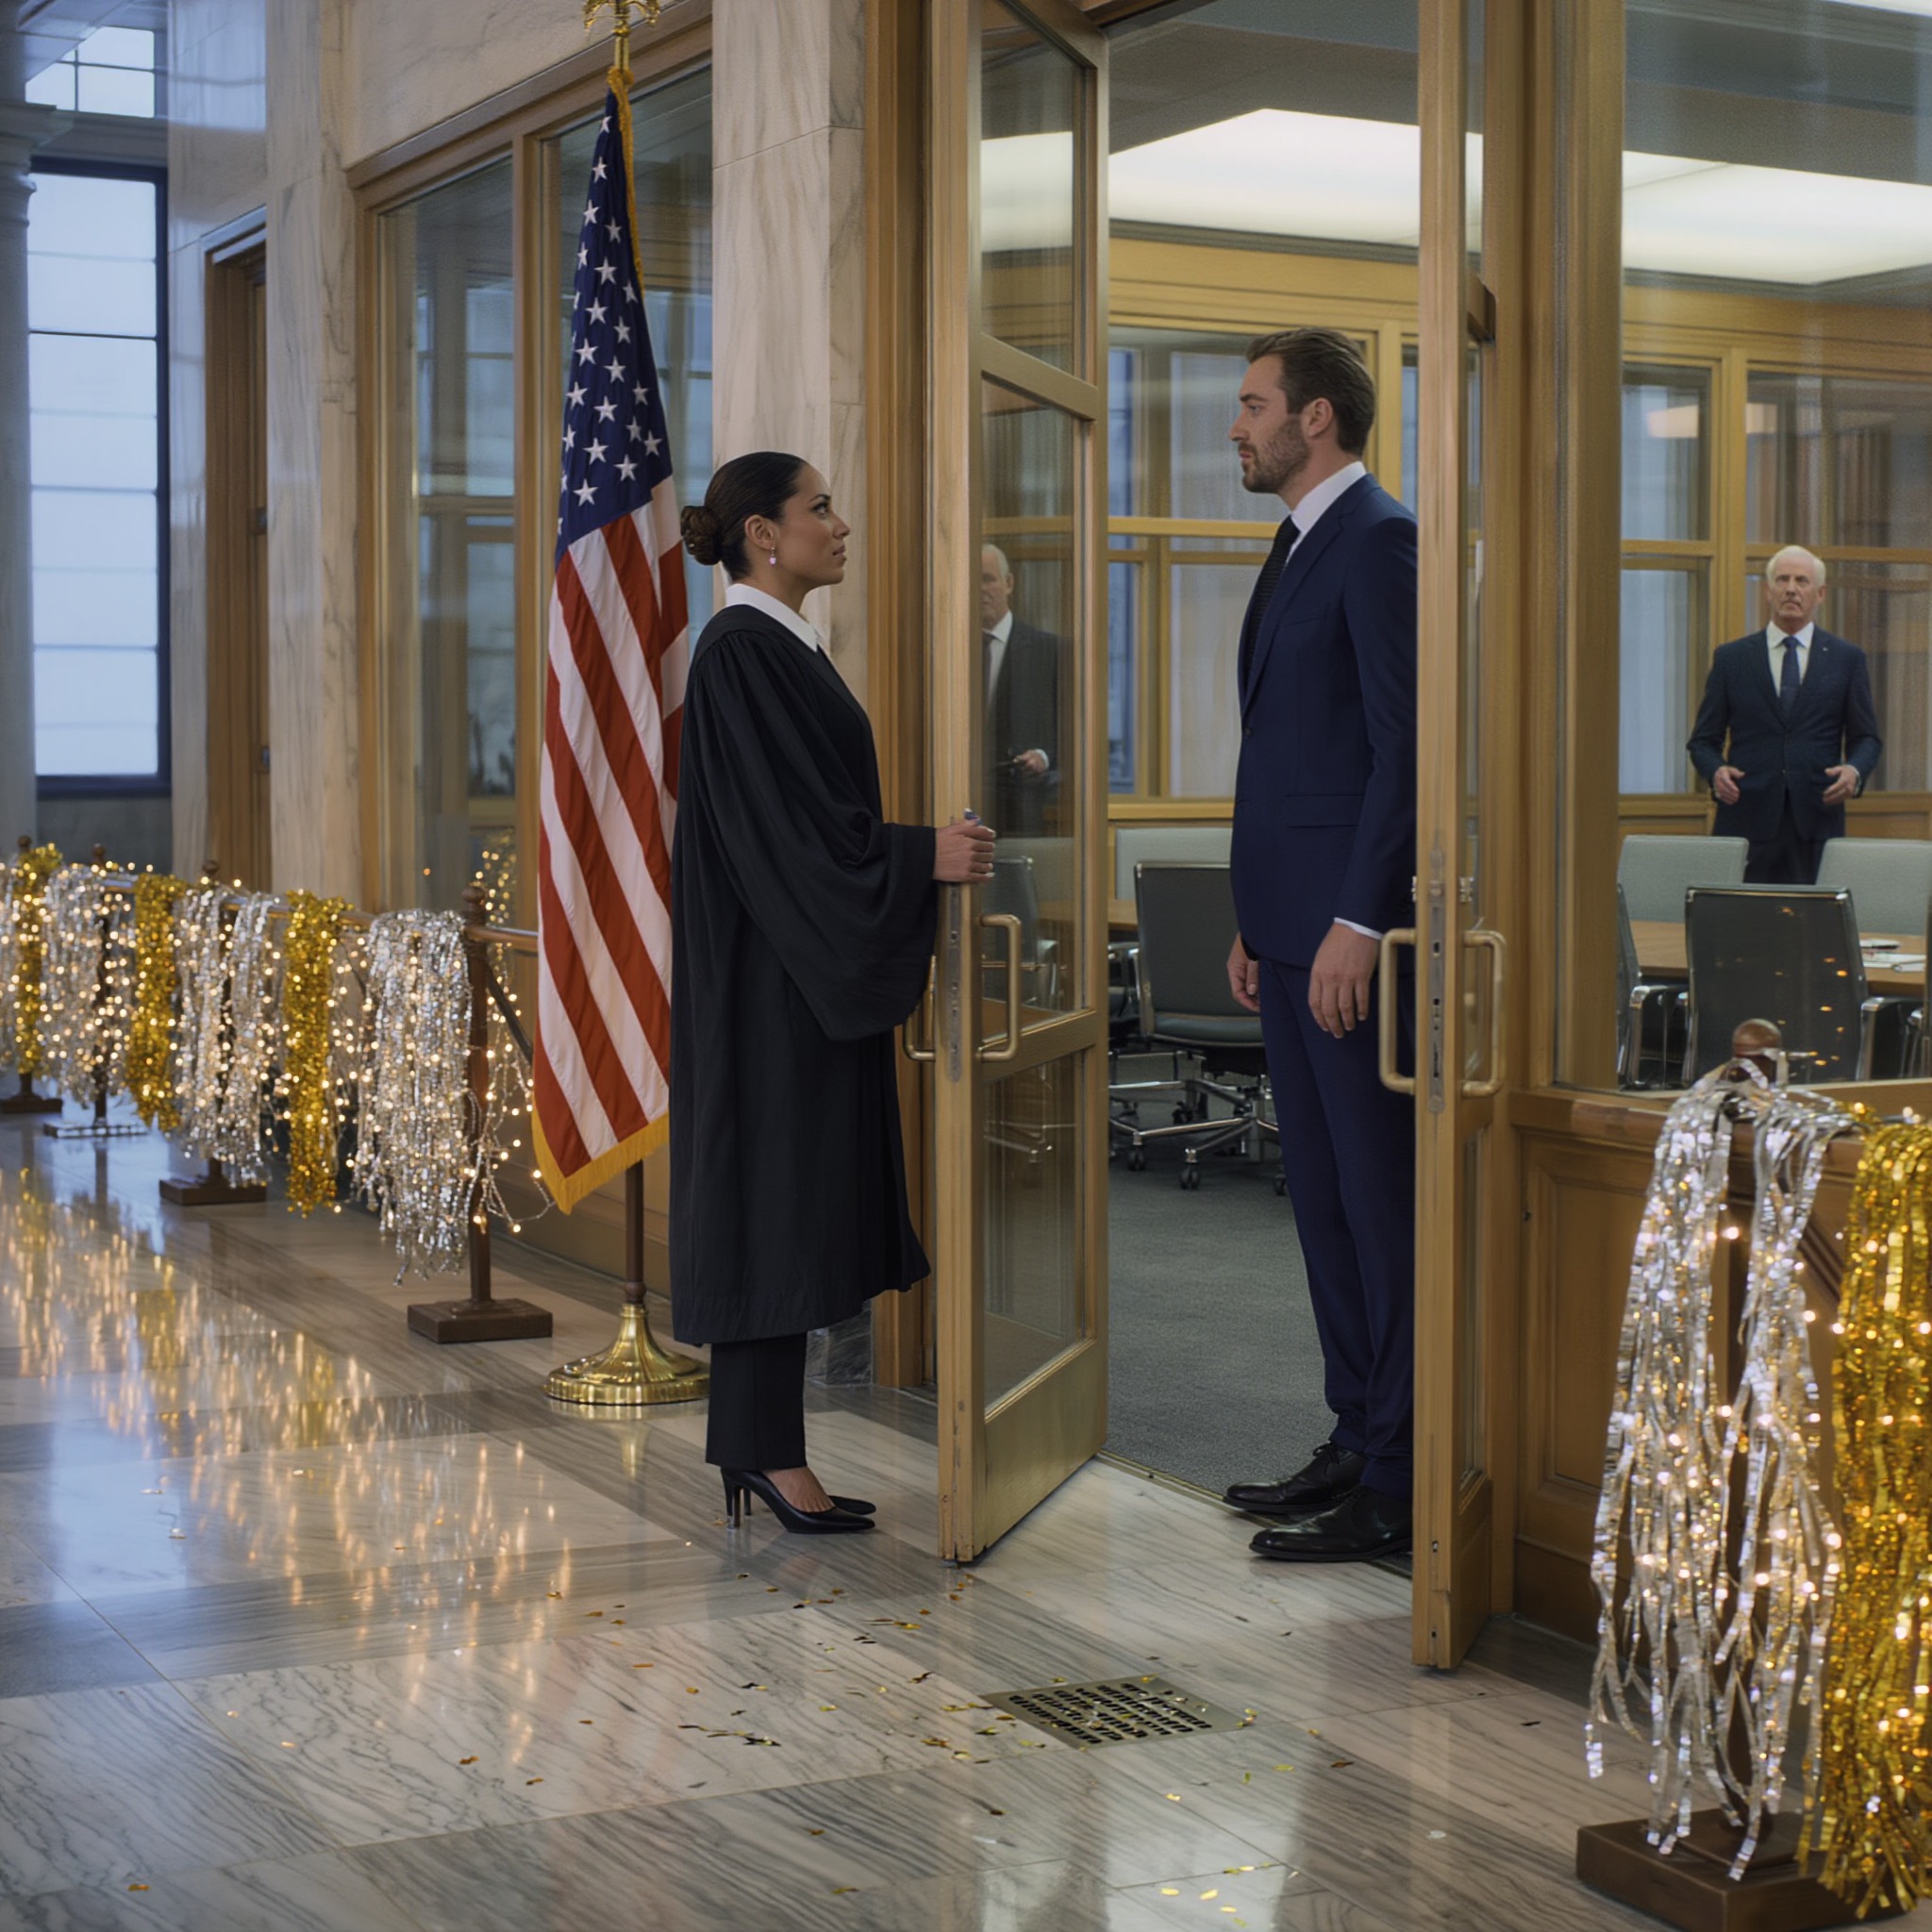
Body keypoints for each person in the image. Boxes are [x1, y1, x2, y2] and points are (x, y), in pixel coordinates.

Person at [672, 451, 995, 1535]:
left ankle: (759, 1445)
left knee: (783, 1201)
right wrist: (916, 856)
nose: (840, 523)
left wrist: (899, 856)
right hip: (771, 980)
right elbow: (791, 832)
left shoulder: (775, 647)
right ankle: (765, 1451)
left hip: (789, 970)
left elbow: (805, 818)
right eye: (819, 507)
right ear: (763, 534)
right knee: (770, 1202)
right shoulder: (741, 654)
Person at [1218, 327, 1419, 1564]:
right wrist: (1260, 918)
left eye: (1251, 404)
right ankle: (1357, 1432)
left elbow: (1405, 751)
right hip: (1288, 934)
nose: (1235, 426)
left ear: (1315, 419)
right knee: (1324, 1208)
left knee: (1376, 1205)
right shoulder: (1297, 541)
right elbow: (1293, 752)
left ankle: (1399, 1476)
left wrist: (1354, 918)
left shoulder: (1380, 539)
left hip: (1351, 941)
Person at [1686, 545, 1881, 883]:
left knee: (1813, 917)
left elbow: (1867, 739)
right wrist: (1715, 771)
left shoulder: (1847, 659)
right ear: (1767, 591)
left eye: (1801, 581)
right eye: (1782, 580)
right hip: (1746, 819)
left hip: (1817, 822)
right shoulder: (1732, 658)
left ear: (1820, 594)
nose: (1791, 589)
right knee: (1744, 917)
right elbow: (1703, 741)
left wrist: (1854, 771)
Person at [980, 542, 1061, 838]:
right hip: (961, 807)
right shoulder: (949, 651)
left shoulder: (1049, 651)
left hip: (1023, 814)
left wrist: (1043, 756)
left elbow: (1074, 736)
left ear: (1009, 583)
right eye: (973, 581)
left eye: (988, 579)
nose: (981, 589)